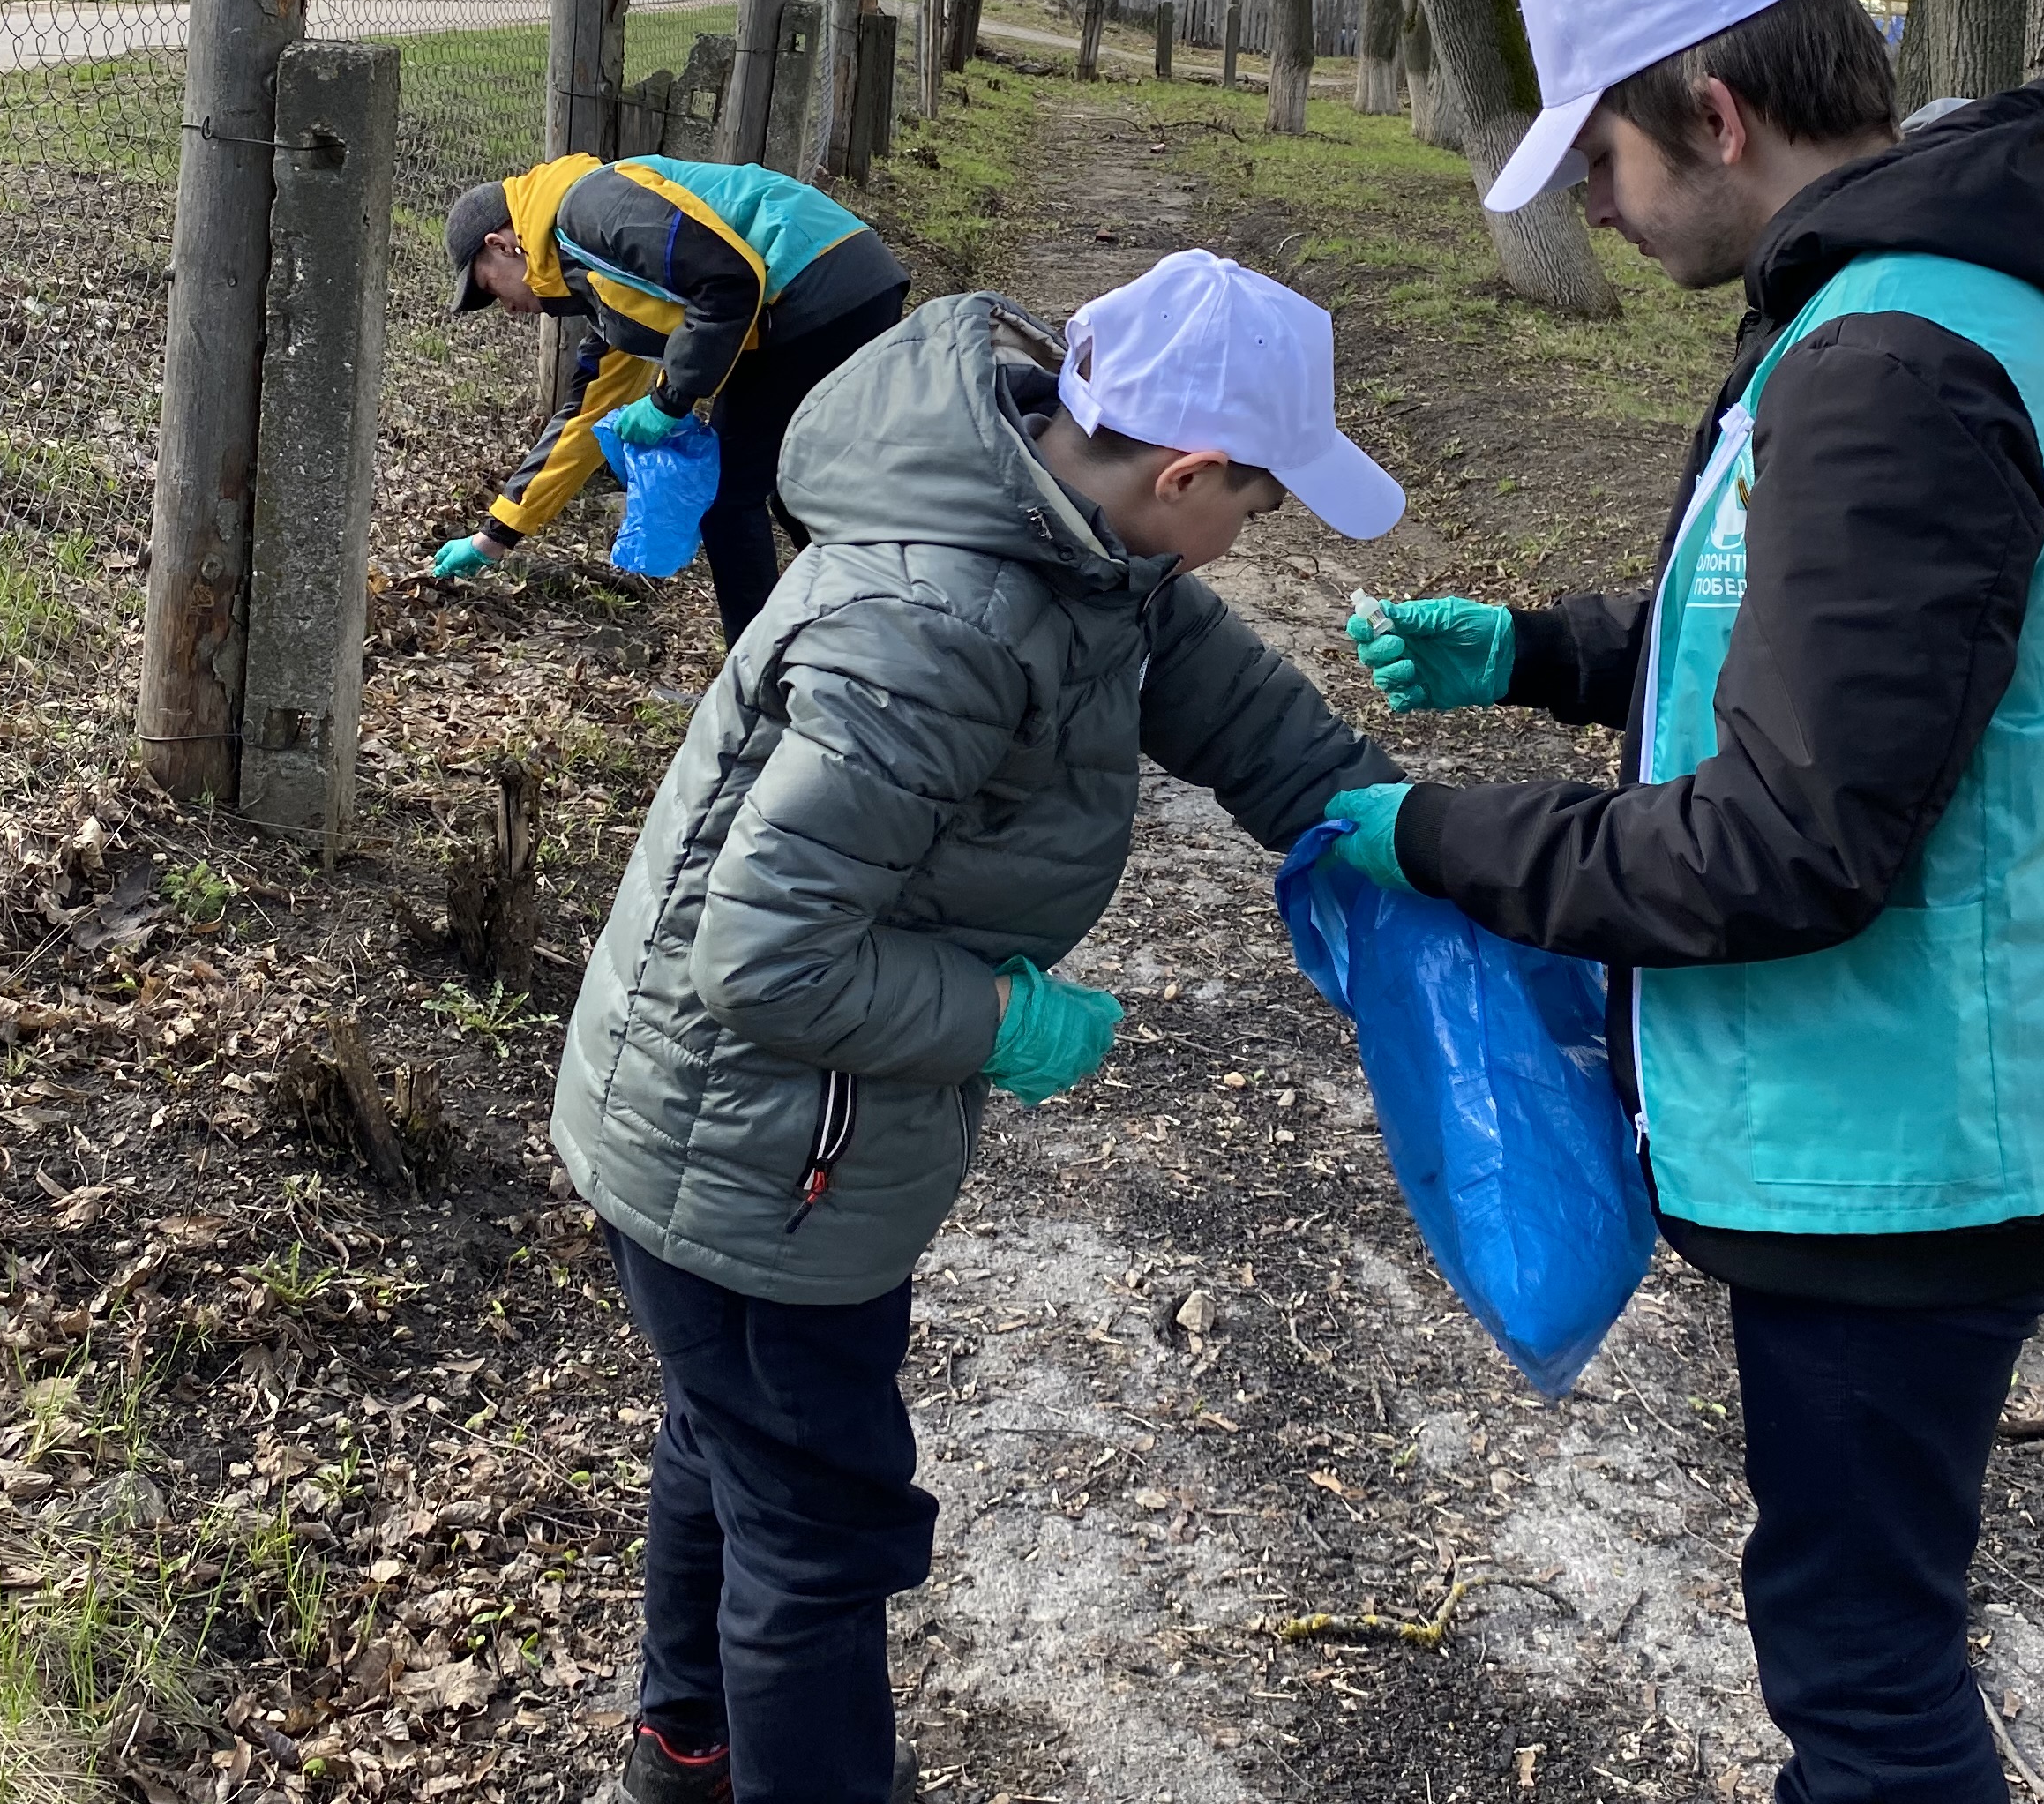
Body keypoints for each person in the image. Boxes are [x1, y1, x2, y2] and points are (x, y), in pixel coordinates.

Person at [1322, 0, 2044, 1804]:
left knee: (1863, 1669)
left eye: (1610, 163)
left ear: (1716, 115)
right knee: (1859, 1613)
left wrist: (1441, 840)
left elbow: (1786, 840)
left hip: (1920, 1146)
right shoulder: (1916, 296)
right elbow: (1844, 652)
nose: (1599, 211)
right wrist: (1554, 652)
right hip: (1970, 1092)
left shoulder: (1893, 361)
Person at [550, 251, 1408, 1804]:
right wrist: (1003, 1017)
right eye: (1260, 509)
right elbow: (762, 955)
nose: (1243, 543)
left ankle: (682, 1750)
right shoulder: (939, 623)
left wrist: (1394, 836)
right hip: (752, 1141)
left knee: (729, 1442)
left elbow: (1237, 710)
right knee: (814, 1525)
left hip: (770, 1127)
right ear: (1189, 470)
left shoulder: (1081, 541)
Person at [435, 153, 910, 641]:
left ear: (502, 244)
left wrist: (670, 400)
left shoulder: (588, 209)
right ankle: (872, 634)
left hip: (814, 284)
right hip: (836, 286)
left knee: (729, 495)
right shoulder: (595, 285)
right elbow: (586, 417)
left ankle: (766, 677)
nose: (507, 308)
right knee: (799, 485)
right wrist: (495, 535)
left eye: (488, 286)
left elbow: (728, 282)